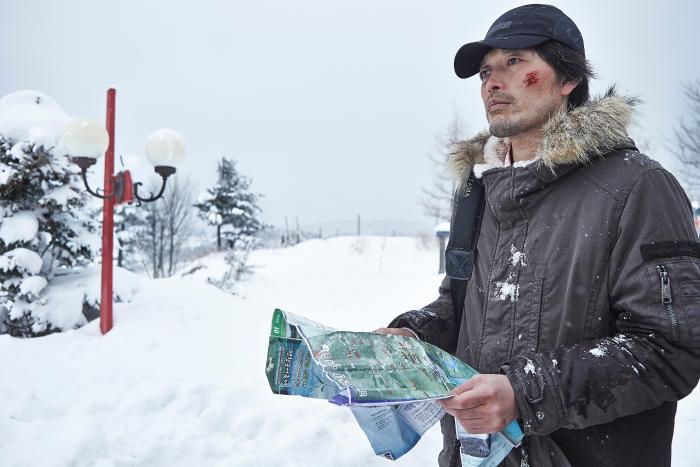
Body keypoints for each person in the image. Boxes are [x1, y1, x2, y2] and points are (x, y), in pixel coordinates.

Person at [375, 4, 700, 466]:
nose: (492, 81)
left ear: (567, 80)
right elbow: (462, 304)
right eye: (486, 70)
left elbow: (670, 348)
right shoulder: (476, 190)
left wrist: (524, 393)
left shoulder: (636, 186)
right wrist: (413, 336)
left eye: (515, 62)